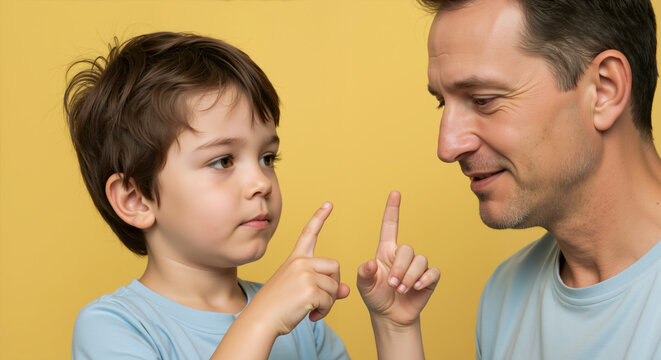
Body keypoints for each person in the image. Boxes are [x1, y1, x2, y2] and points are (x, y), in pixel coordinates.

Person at [65, 32, 440, 359]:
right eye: (223, 160)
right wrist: (261, 318)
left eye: (267, 157)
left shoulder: (302, 324)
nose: (261, 181)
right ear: (135, 200)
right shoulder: (114, 327)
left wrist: (396, 328)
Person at [419, 0, 661, 358]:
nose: (447, 146)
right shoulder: (504, 296)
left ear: (604, 90)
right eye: (443, 103)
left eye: (483, 100)